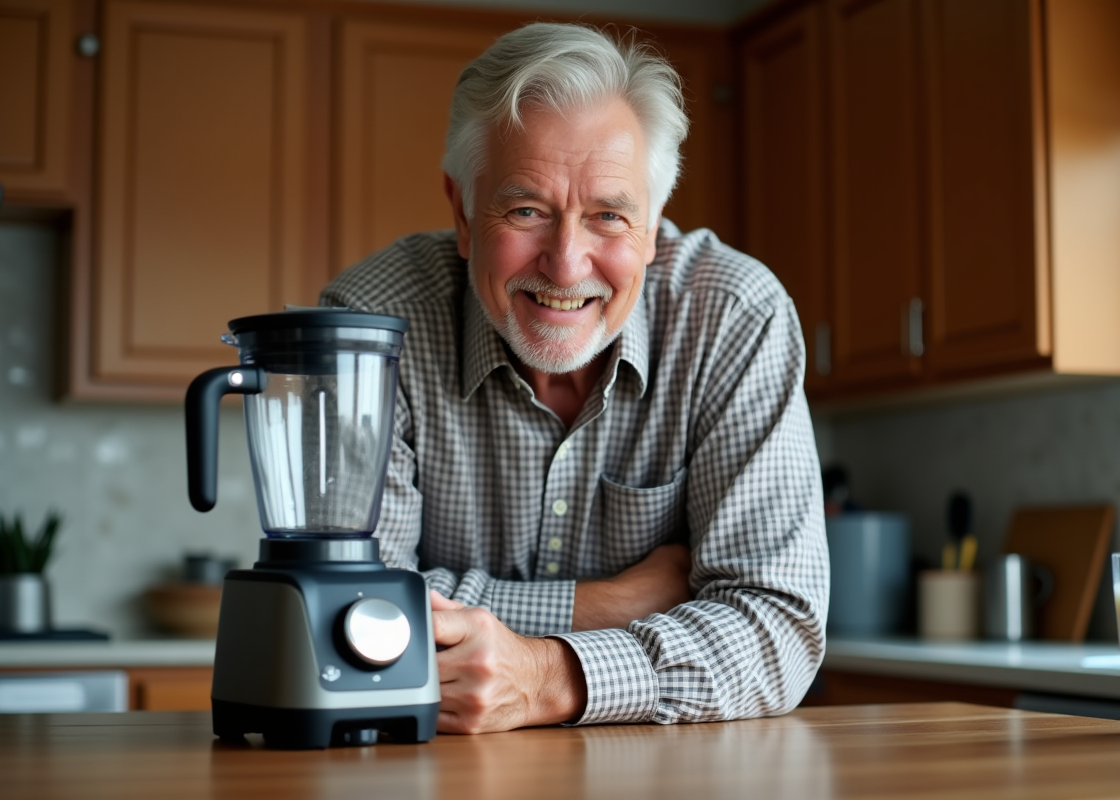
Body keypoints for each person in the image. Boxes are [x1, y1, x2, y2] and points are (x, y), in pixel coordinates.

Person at [320, 21, 828, 734]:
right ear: (463, 212)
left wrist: (551, 676)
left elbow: (779, 629)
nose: (565, 264)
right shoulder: (371, 325)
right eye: (526, 210)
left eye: (609, 217)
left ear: (652, 226)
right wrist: (613, 603)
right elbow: (348, 611)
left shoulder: (734, 317)